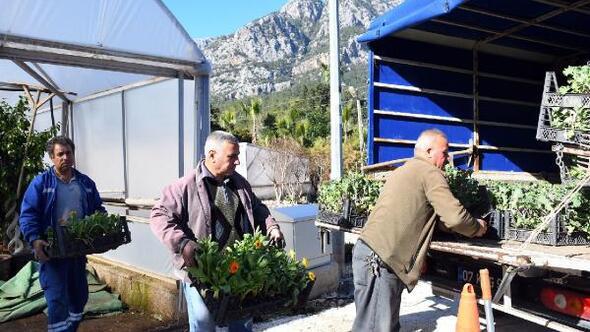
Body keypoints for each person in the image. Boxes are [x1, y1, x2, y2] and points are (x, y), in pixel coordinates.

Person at [352, 128, 487, 332]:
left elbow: (429, 215)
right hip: (379, 262)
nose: (448, 158)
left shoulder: (404, 171)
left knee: (372, 324)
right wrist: (477, 227)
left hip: (369, 255)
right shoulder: (430, 172)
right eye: (445, 152)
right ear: (429, 151)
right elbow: (455, 217)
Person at [150, 130, 284, 332]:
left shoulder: (239, 183)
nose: (238, 161)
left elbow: (257, 208)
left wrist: (271, 226)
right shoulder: (184, 186)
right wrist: (183, 243)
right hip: (202, 272)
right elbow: (159, 217)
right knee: (204, 323)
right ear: (212, 155)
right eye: (233, 156)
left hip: (239, 270)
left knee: (241, 322)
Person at [20, 136, 106, 332]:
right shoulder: (41, 183)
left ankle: (71, 328)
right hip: (53, 252)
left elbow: (97, 209)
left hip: (76, 250)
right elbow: (28, 214)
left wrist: (101, 225)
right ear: (52, 157)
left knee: (79, 296)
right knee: (57, 299)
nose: (65, 157)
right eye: (60, 154)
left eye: (69, 153)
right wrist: (34, 240)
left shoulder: (85, 183)